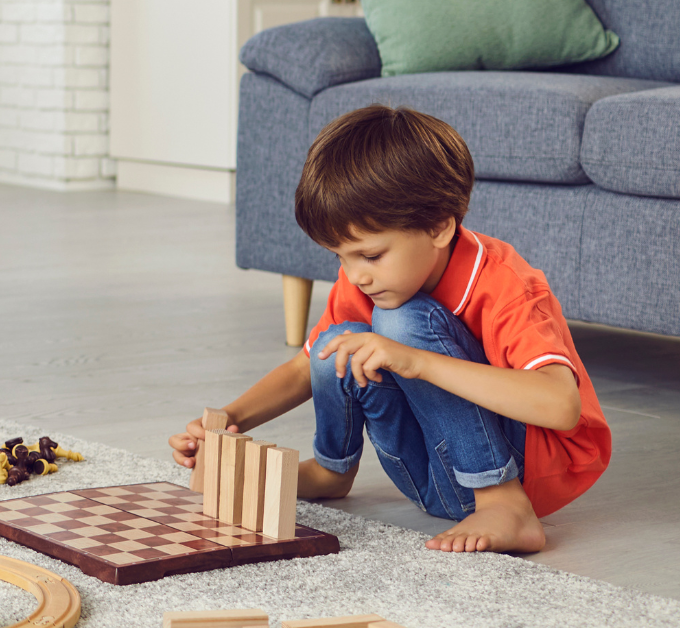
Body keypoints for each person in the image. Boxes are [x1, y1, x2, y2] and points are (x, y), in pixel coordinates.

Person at [168, 105, 610, 553]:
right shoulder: (373, 280)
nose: (355, 274)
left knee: (400, 325)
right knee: (333, 342)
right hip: (432, 478)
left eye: (371, 255)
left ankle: (503, 502)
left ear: (439, 227)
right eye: (341, 256)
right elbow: (307, 366)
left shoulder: (505, 285)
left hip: (524, 473)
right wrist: (228, 422)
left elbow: (560, 406)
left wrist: (416, 360)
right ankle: (331, 471)